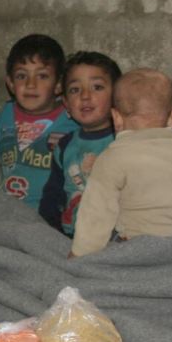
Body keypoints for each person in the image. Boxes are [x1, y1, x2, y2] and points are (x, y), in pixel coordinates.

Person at [71, 68, 172, 257]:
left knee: (117, 239)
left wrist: (79, 255)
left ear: (116, 118)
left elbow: (96, 215)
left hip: (146, 251)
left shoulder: (111, 158)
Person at [0, 34, 78, 210]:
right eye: (21, 76)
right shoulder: (6, 115)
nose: (30, 84)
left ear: (58, 84)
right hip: (2, 212)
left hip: (48, 217)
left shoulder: (72, 121)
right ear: (10, 83)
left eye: (42, 76)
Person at [39, 51, 120, 236]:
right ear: (66, 103)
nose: (85, 95)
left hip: (113, 237)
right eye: (75, 89)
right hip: (70, 236)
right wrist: (49, 233)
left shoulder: (124, 141)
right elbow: (52, 196)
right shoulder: (65, 145)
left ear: (117, 97)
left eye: (97, 87)